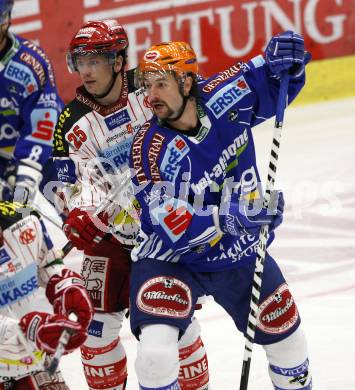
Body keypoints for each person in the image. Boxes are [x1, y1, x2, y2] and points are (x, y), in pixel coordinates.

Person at [129, 33, 313, 390]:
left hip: (238, 251)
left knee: (289, 342)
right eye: (147, 86)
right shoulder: (146, 150)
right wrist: (230, 217)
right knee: (155, 357)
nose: (151, 96)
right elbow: (172, 226)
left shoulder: (227, 95)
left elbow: (278, 78)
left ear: (186, 81)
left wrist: (286, 59)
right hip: (170, 258)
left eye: (161, 84)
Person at [52, 19, 210, 390]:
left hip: (165, 233)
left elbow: (199, 124)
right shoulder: (71, 121)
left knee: (178, 330)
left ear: (120, 61)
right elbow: (69, 184)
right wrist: (80, 213)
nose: (86, 71)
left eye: (96, 61)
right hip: (112, 236)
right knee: (94, 335)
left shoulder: (152, 85)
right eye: (81, 61)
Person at [0, 200, 94, 389]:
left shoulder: (24, 219)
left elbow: (48, 262)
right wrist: (30, 332)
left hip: (37, 363)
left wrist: (65, 285)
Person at [0, 0, 63, 206]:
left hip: (41, 159)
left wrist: (25, 177)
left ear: (5, 20)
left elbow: (43, 126)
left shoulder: (31, 64)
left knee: (65, 220)